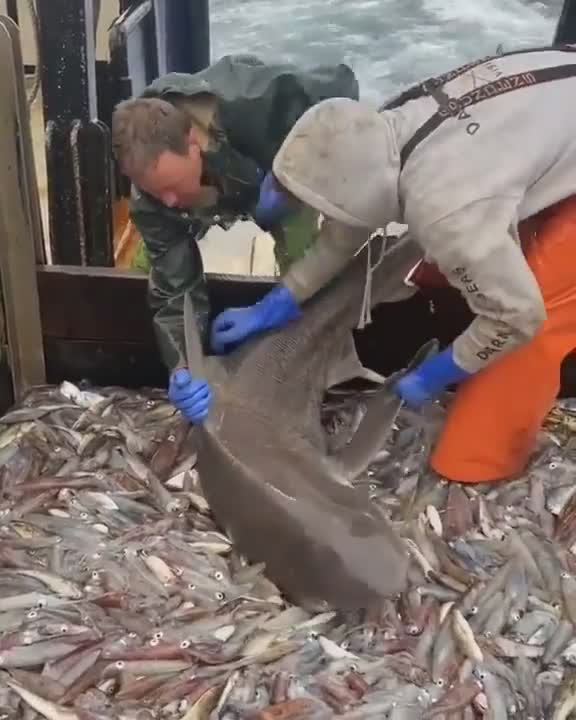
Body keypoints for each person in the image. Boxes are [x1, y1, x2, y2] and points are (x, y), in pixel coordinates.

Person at [206, 44, 576, 485]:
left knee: (533, 321)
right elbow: (345, 229)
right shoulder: (385, 128)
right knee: (461, 255)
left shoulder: (444, 207)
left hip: (510, 175)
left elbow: (520, 316)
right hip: (548, 118)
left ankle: (480, 467)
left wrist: (438, 372)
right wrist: (273, 304)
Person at [111, 54, 359, 423]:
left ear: (193, 142)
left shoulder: (263, 101)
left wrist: (294, 178)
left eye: (172, 188)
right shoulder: (155, 201)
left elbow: (343, 88)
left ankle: (315, 371)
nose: (169, 203)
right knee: (152, 268)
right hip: (211, 193)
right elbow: (176, 288)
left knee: (306, 262)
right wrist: (182, 366)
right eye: (155, 192)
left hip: (274, 178)